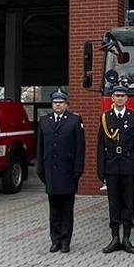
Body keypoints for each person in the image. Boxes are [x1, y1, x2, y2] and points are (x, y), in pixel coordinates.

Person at [37, 89, 85, 253]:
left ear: (66, 104)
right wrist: (40, 170)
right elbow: (40, 147)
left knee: (66, 209)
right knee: (54, 209)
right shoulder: (44, 121)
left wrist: (78, 170)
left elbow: (80, 148)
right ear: (52, 104)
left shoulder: (74, 120)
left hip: (68, 173)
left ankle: (65, 241)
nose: (58, 105)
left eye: (61, 102)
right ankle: (55, 240)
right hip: (50, 172)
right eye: (55, 102)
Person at [99, 86, 134, 254]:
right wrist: (101, 171)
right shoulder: (105, 117)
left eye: (122, 96)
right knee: (113, 204)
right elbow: (100, 145)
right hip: (111, 167)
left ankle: (126, 238)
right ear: (112, 98)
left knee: (128, 203)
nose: (119, 98)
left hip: (128, 167)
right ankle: (114, 238)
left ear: (127, 99)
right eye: (117, 95)